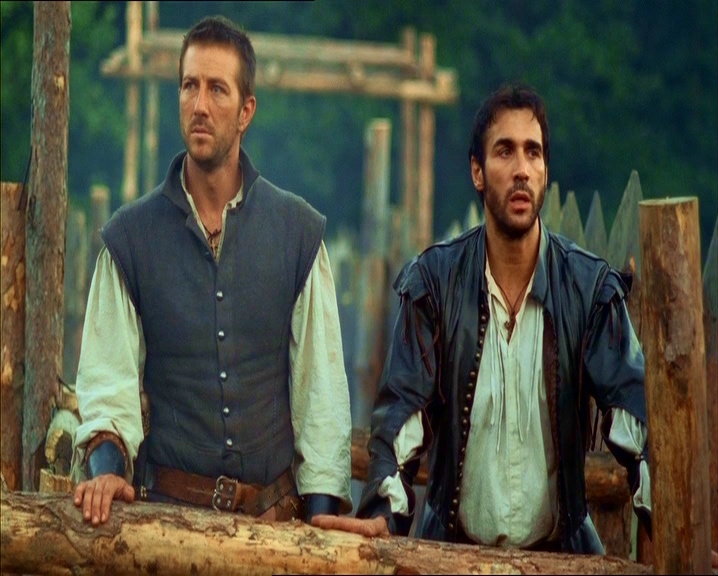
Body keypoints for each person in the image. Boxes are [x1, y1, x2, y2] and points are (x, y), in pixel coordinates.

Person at [313, 83, 650, 553]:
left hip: (562, 557)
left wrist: (678, 525)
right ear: (477, 171)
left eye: (533, 153)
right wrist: (382, 516)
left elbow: (638, 428)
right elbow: (400, 422)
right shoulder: (433, 284)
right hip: (452, 553)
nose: (521, 169)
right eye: (504, 151)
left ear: (545, 171)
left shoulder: (588, 289)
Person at [71, 15, 352, 527]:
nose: (199, 105)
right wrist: (107, 470)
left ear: (246, 111)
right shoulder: (129, 239)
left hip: (274, 525)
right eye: (189, 86)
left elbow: (322, 402)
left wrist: (320, 523)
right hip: (166, 523)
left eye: (217, 89)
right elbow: (106, 388)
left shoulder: (298, 233)